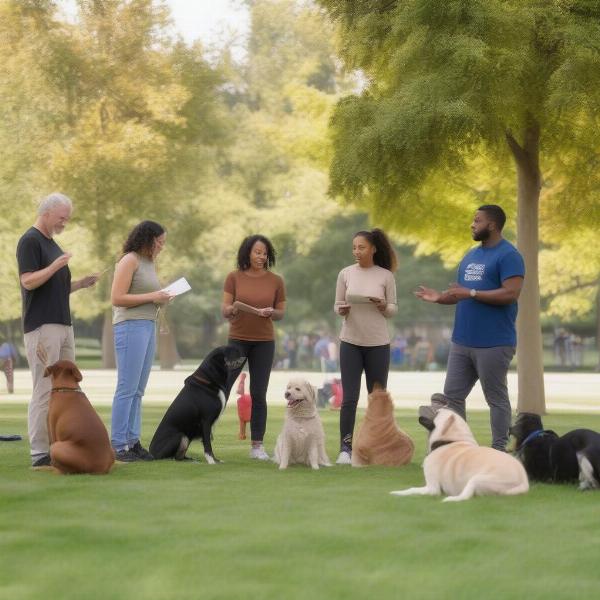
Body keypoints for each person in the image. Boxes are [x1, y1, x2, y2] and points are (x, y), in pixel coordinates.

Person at [415, 204, 525, 451]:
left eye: (477, 220)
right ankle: (459, 447)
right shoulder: (471, 256)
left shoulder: (509, 255)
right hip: (462, 341)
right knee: (452, 398)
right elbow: (460, 294)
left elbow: (511, 293)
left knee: (495, 398)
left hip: (494, 342)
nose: (472, 224)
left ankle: (499, 449)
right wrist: (440, 297)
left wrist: (472, 292)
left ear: (493, 225)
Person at [16, 192, 99, 467]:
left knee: (66, 388)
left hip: (63, 324)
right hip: (42, 327)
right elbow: (28, 282)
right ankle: (39, 452)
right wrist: (55, 265)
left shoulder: (52, 243)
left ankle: (57, 445)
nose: (65, 222)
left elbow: (56, 289)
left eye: (67, 218)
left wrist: (81, 284)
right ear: (47, 212)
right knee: (44, 387)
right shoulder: (30, 241)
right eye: (62, 217)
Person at [334, 228, 398, 464]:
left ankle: (377, 448)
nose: (356, 251)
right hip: (350, 341)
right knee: (349, 398)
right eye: (354, 247)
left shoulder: (385, 276)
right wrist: (341, 309)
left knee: (377, 398)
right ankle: (345, 449)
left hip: (378, 344)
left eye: (361, 247)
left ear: (373, 249)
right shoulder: (345, 274)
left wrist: (382, 306)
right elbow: (337, 304)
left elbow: (393, 309)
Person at [110, 220, 171, 462]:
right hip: (129, 326)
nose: (161, 247)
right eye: (159, 242)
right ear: (147, 239)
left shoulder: (148, 262)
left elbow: (145, 297)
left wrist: (162, 298)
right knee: (127, 388)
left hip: (147, 324)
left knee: (138, 390)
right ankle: (118, 444)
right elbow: (117, 297)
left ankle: (133, 441)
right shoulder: (129, 260)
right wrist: (153, 295)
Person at [221, 234, 286, 460]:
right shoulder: (233, 277)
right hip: (238, 339)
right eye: (257, 252)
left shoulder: (276, 281)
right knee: (224, 387)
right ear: (247, 252)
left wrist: (272, 313)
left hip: (264, 343)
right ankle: (205, 433)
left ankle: (257, 446)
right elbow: (225, 309)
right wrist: (232, 310)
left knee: (259, 393)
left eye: (265, 253)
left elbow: (280, 313)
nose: (261, 256)